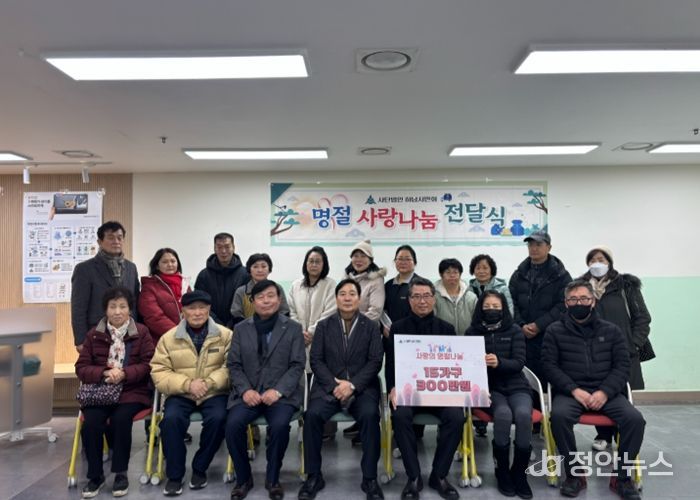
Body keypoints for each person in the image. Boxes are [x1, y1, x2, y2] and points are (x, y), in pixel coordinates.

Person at [542, 280, 645, 500]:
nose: (578, 303)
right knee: (558, 417)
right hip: (571, 393)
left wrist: (604, 392)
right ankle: (574, 475)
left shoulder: (612, 331)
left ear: (593, 301)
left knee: (635, 420)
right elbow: (549, 366)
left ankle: (622, 477)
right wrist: (574, 390)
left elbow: (622, 366)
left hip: (607, 393)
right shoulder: (554, 331)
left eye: (584, 299)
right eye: (573, 299)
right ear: (566, 303)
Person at [299, 279, 385, 500]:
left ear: (359, 298)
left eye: (352, 294)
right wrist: (334, 385)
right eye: (343, 294)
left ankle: (370, 478)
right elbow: (316, 360)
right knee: (312, 416)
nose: (347, 298)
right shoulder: (324, 326)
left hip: (362, 388)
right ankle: (313, 475)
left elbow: (375, 361)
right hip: (329, 387)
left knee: (370, 416)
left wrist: (353, 385)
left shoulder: (371, 326)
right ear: (336, 298)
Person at [385, 277, 465, 500]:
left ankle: (439, 475)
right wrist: (392, 387)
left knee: (456, 417)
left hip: (439, 393)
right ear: (409, 300)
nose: (422, 301)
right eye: (417, 296)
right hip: (409, 392)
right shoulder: (398, 328)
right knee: (400, 416)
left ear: (434, 298)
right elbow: (391, 363)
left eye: (427, 296)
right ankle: (413, 477)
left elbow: (455, 365)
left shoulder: (446, 329)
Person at [226, 280, 306, 500]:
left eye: (271, 296)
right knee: (232, 425)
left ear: (279, 300)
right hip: (248, 394)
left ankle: (273, 478)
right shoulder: (241, 329)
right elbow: (234, 365)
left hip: (280, 396)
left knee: (280, 426)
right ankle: (244, 478)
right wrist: (245, 391)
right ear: (253, 302)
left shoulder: (293, 328)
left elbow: (297, 365)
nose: (266, 301)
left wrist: (278, 391)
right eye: (260, 297)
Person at [150, 290, 232, 497]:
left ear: (209, 309)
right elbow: (159, 371)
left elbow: (231, 367)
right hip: (181, 393)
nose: (197, 313)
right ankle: (175, 475)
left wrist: (208, 383)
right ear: (183, 311)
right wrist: (187, 385)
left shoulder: (225, 335)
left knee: (219, 419)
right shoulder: (168, 338)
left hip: (214, 392)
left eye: (202, 308)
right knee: (170, 421)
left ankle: (200, 467)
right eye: (191, 308)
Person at [75, 287, 154, 498]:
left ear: (130, 309)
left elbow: (149, 364)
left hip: (131, 391)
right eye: (112, 307)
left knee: (121, 420)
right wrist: (104, 372)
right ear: (105, 310)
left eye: (122, 306)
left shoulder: (142, 332)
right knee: (90, 423)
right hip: (100, 391)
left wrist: (125, 374)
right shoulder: (94, 334)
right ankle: (95, 476)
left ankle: (120, 473)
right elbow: (81, 368)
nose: (117, 312)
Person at [579, 245, 652, 452]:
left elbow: (642, 317)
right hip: (594, 352)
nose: (596, 264)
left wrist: (633, 343)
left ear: (609, 262)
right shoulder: (582, 287)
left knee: (622, 395)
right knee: (598, 391)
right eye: (592, 260)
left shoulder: (626, 286)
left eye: (601, 259)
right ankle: (603, 435)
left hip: (624, 351)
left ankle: (623, 434)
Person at [465, 291, 532, 499]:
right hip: (489, 388)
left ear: (503, 308)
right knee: (503, 415)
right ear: (480, 309)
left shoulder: (514, 330)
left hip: (517, 385)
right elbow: (467, 365)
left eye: (496, 306)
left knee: (523, 415)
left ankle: (519, 472)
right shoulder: (471, 332)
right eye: (487, 307)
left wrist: (499, 362)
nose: (491, 310)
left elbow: (519, 362)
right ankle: (501, 470)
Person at [509, 231, 571, 385]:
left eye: (538, 244)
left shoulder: (561, 275)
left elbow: (563, 305)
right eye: (530, 245)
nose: (534, 248)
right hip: (522, 336)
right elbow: (510, 302)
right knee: (524, 380)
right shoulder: (519, 274)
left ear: (549, 247)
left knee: (547, 377)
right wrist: (521, 325)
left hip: (550, 335)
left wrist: (539, 325)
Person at [288, 246, 338, 441]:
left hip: (322, 339)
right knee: (302, 383)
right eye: (311, 261)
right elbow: (291, 311)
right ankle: (304, 428)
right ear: (306, 263)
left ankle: (327, 430)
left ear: (324, 264)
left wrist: (311, 331)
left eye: (318, 261)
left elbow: (330, 312)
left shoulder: (330, 285)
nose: (314, 264)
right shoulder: (296, 285)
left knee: (322, 383)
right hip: (299, 340)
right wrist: (299, 331)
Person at [71, 221, 139, 351]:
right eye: (110, 237)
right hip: (97, 333)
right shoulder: (84, 269)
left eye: (119, 238)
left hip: (127, 333)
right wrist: (80, 340)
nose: (116, 241)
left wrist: (138, 331)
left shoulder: (131, 267)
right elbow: (78, 308)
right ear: (100, 242)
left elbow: (135, 302)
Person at [194, 232, 249, 328]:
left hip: (239, 326)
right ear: (214, 249)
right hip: (210, 327)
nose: (223, 251)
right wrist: (217, 324)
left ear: (233, 248)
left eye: (227, 247)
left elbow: (248, 303)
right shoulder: (204, 275)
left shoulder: (245, 274)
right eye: (219, 247)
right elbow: (200, 303)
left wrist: (233, 323)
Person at [138, 247, 191, 343]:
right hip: (162, 340)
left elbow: (193, 309)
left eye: (173, 261)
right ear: (157, 266)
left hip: (187, 338)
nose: (170, 264)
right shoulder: (149, 286)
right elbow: (153, 317)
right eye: (165, 262)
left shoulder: (185, 284)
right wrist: (178, 333)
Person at [230, 253, 290, 325]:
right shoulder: (241, 291)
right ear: (249, 270)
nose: (260, 270)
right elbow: (236, 314)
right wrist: (248, 328)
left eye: (263, 266)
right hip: (247, 330)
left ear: (269, 269)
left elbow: (284, 311)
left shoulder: (277, 288)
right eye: (255, 267)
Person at [343, 240, 387, 323]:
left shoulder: (376, 280)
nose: (359, 260)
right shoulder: (346, 277)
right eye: (355, 256)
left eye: (363, 256)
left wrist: (353, 323)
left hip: (365, 327)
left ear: (370, 260)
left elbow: (375, 312)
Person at [433, 258, 478, 336]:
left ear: (460, 274)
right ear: (441, 275)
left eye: (455, 272)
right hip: (442, 339)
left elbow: (477, 321)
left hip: (467, 339)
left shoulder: (471, 297)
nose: (452, 275)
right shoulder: (434, 297)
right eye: (448, 272)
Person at [384, 244, 423, 329]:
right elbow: (383, 310)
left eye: (408, 259)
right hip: (390, 332)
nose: (403, 262)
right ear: (395, 261)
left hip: (414, 331)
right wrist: (384, 327)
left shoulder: (422, 284)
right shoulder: (388, 285)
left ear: (415, 263)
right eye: (400, 259)